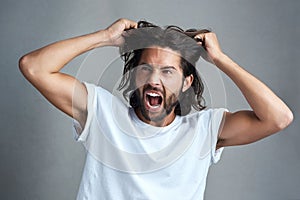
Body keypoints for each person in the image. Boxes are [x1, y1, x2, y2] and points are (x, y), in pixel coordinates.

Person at [19, 18, 293, 200]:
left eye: (167, 72)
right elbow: (33, 67)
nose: (153, 80)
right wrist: (104, 37)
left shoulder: (204, 130)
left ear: (187, 82)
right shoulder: (102, 113)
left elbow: (279, 118)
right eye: (146, 68)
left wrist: (220, 59)